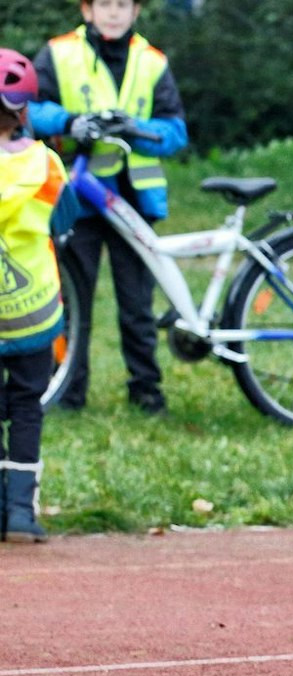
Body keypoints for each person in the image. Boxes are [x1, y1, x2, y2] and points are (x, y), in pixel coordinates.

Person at [27, 0, 188, 415]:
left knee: (137, 304)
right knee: (71, 302)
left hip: (134, 201)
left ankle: (146, 389)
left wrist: (137, 128)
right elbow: (29, 108)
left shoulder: (152, 61)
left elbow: (175, 132)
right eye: (104, 4)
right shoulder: (59, 52)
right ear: (87, 10)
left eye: (122, 5)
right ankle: (68, 389)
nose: (113, 13)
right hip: (79, 198)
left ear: (135, 12)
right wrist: (70, 122)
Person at [0, 49, 75, 543]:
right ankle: (20, 513)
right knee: (27, 404)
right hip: (33, 313)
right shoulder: (45, 164)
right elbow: (66, 221)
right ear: (24, 110)